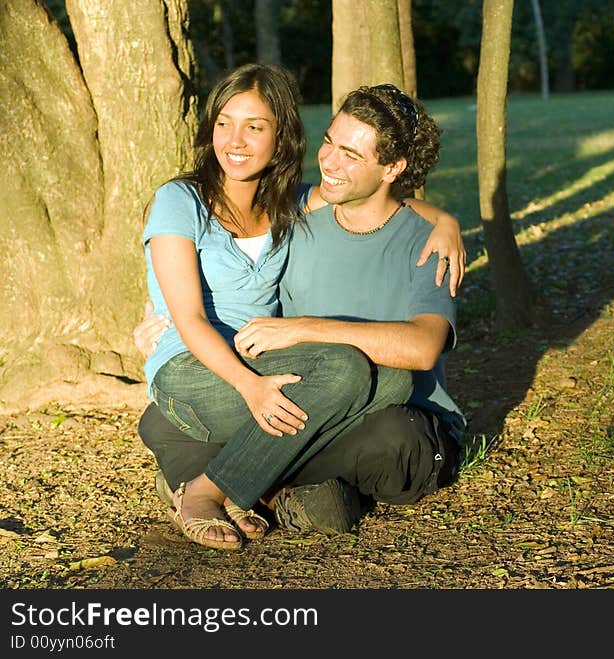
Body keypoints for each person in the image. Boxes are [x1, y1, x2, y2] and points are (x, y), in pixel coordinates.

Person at [141, 65, 464, 551]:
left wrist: (445, 218)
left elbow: (366, 202)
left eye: (255, 126)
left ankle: (228, 480)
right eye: (225, 122)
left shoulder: (288, 204)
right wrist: (250, 386)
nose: (235, 140)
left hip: (274, 367)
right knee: (351, 373)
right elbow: (186, 316)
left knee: (393, 382)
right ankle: (229, 490)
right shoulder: (186, 200)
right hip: (209, 367)